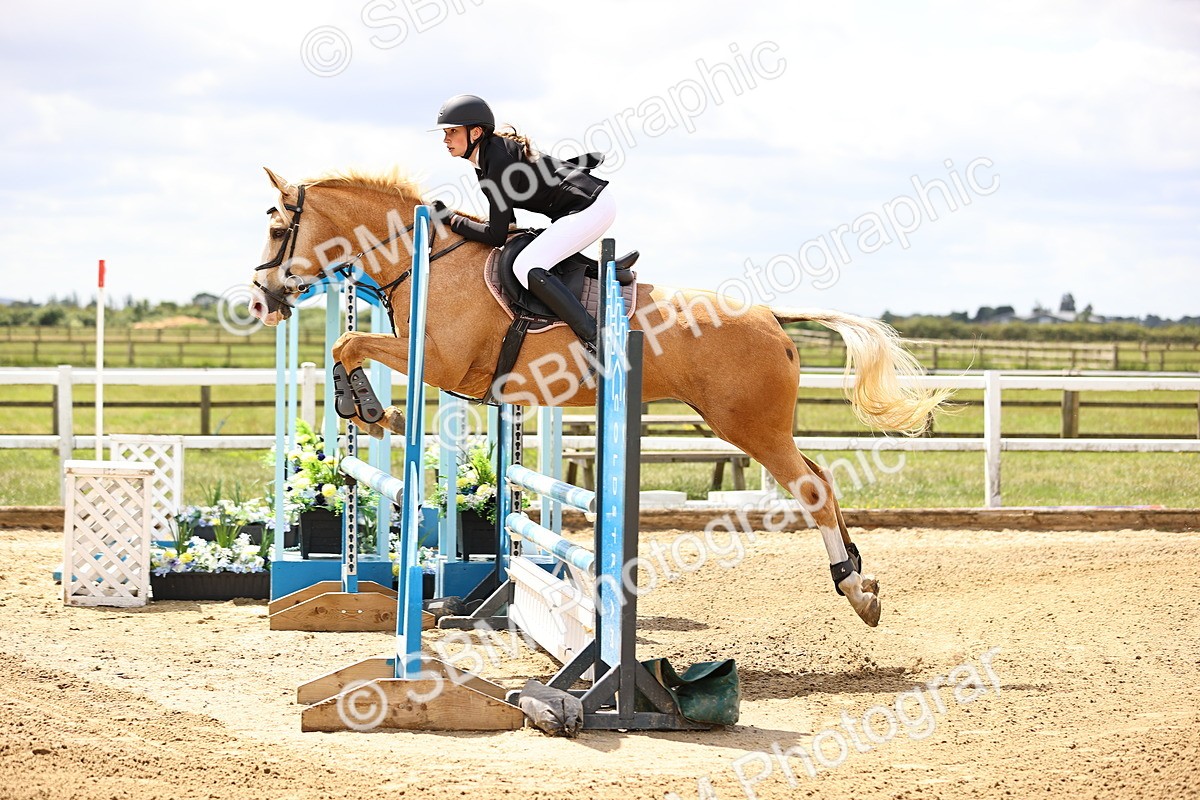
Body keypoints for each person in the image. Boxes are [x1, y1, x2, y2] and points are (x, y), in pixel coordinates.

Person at [431, 94, 614, 351]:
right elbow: (508, 226)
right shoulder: (486, 160)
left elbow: (496, 234)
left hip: (589, 208)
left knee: (526, 266)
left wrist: (452, 220)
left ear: (475, 133)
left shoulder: (496, 160)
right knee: (531, 245)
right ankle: (605, 270)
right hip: (581, 207)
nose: (446, 140)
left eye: (452, 132)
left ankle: (595, 338)